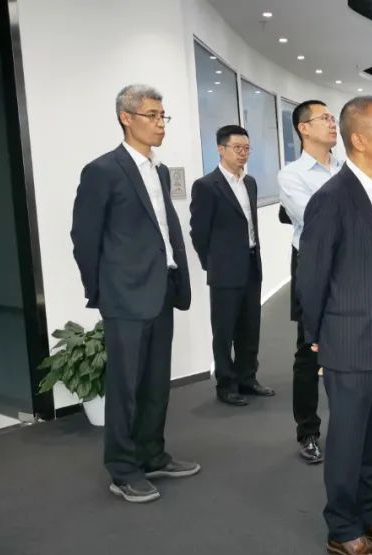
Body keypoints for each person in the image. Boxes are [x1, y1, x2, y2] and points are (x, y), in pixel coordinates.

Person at [297, 96, 372, 555]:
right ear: (359, 140)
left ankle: (371, 513)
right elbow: (312, 276)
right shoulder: (331, 198)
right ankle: (342, 528)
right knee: (347, 439)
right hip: (349, 339)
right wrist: (317, 336)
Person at [71, 84, 199, 503]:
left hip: (161, 288)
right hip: (124, 296)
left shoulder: (158, 170)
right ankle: (122, 468)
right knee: (125, 387)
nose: (161, 124)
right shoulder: (103, 170)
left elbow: (163, 230)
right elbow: (84, 238)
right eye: (152, 115)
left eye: (163, 116)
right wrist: (103, 290)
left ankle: (151, 454)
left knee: (156, 382)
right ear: (126, 118)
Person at [189, 125, 274, 407]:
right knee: (224, 331)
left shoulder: (250, 183)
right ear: (221, 149)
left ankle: (247, 378)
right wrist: (213, 263)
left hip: (251, 264)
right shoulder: (206, 186)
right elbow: (199, 233)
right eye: (237, 148)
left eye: (247, 148)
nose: (243, 153)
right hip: (224, 270)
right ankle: (226, 384)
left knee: (250, 327)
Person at [278, 99, 343, 464]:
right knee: (309, 350)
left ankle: (352, 425)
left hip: (352, 265)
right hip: (313, 265)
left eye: (333, 118)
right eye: (324, 118)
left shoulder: (347, 167)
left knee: (350, 347)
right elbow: (316, 221)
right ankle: (308, 432)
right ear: (304, 128)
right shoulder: (292, 175)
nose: (332, 123)